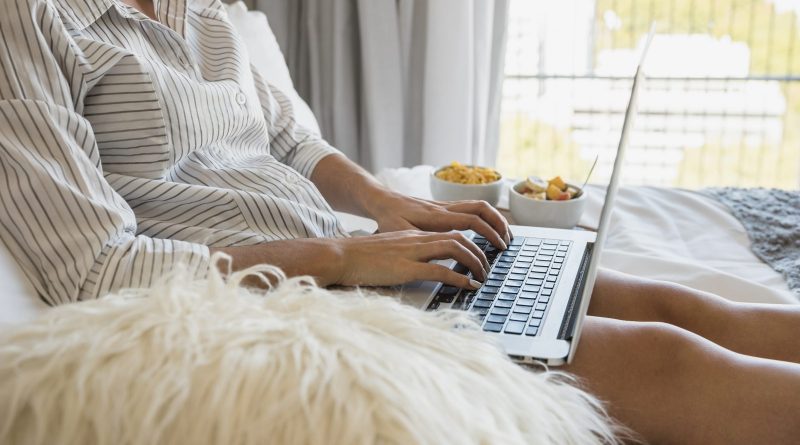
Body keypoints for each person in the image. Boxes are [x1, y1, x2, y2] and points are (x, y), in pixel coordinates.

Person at [0, 0, 798, 442]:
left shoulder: (203, 10)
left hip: (355, 259)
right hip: (283, 298)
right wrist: (346, 255)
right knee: (666, 356)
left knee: (671, 303)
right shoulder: (31, 21)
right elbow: (93, 269)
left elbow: (287, 136)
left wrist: (388, 207)